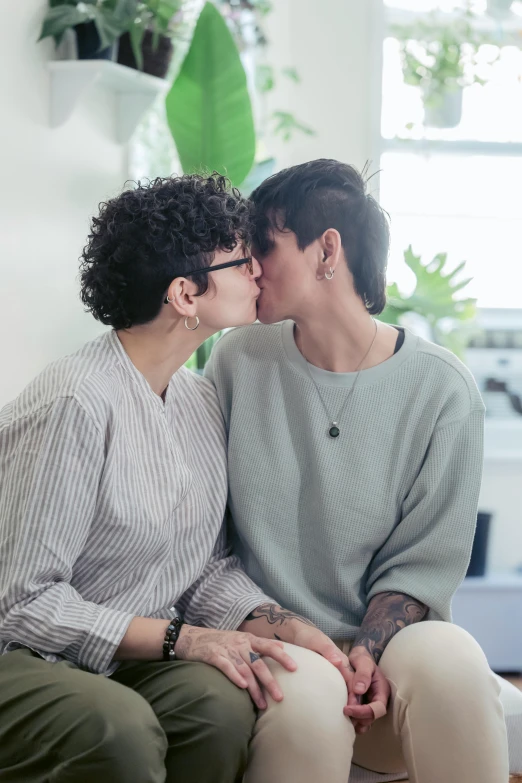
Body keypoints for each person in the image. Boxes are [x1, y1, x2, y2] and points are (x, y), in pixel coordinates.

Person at [0, 173, 352, 783]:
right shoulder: (76, 402)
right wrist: (181, 640)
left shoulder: (197, 400)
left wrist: (286, 627)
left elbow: (204, 568)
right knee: (120, 731)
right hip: (24, 654)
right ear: (186, 294)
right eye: (243, 262)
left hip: (122, 656)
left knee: (219, 707)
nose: (259, 273)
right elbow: (22, 604)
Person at [205, 159, 512, 783]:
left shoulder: (442, 388)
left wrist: (367, 651)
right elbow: (212, 534)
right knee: (306, 704)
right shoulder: (239, 359)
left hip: (395, 640)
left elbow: (422, 565)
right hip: (275, 634)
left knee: (454, 662)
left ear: (328, 250)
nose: (251, 265)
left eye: (264, 242)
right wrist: (306, 641)